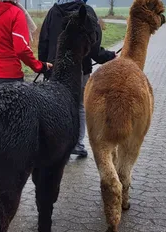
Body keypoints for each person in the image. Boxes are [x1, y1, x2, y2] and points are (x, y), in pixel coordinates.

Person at [38, 0, 116, 157]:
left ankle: (57, 143)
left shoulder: (54, 11)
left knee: (56, 106)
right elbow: (94, 44)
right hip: (80, 68)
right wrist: (107, 56)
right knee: (80, 106)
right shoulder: (87, 12)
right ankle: (77, 144)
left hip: (55, 68)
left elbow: (43, 40)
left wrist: (44, 66)